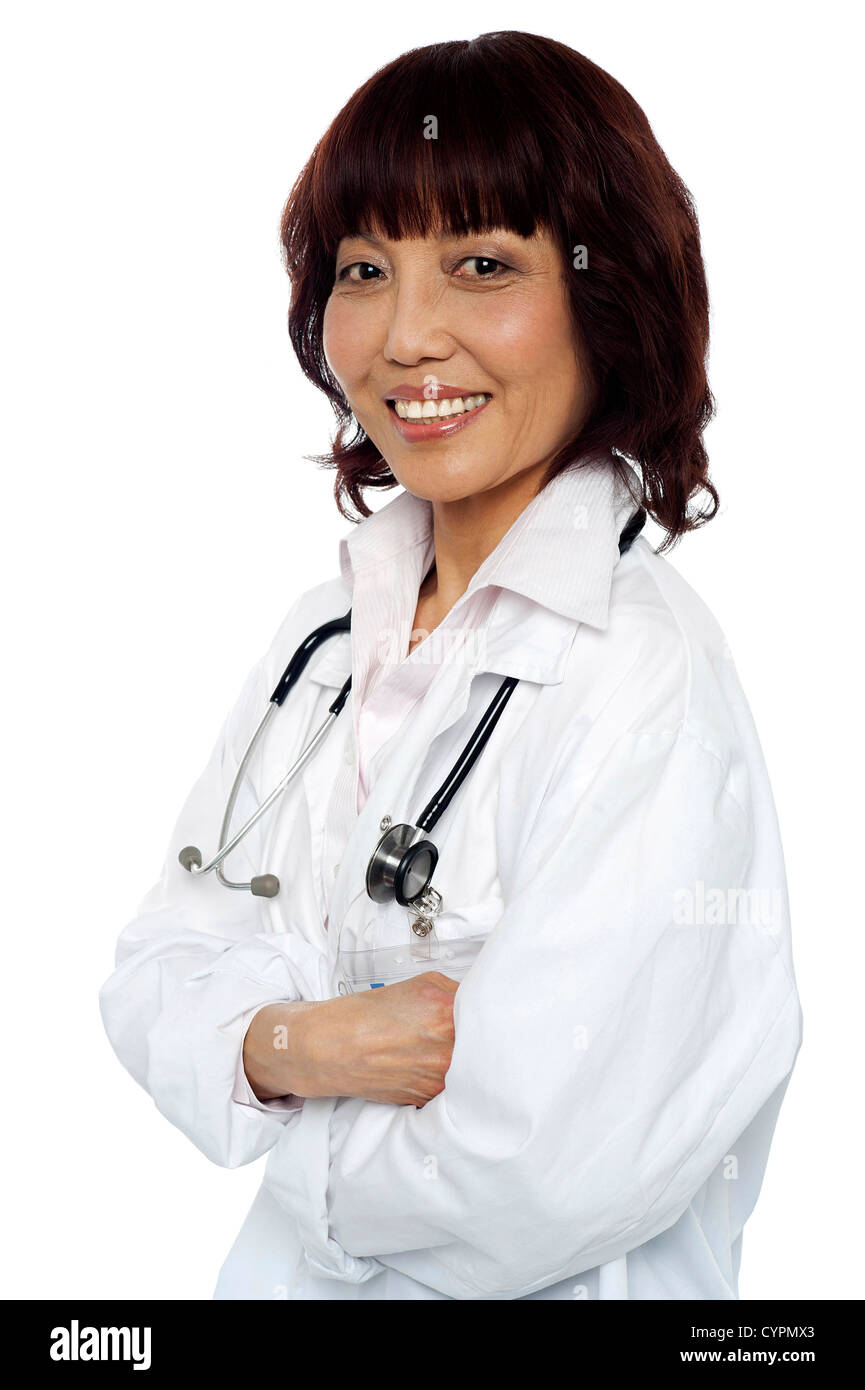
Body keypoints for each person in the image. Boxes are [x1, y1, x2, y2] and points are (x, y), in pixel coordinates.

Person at [99, 30, 802, 1301]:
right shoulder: (323, 637)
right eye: (365, 268)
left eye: (483, 264)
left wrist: (267, 1082)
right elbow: (155, 972)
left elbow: (538, 1166)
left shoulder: (639, 674)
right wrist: (309, 1040)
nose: (408, 336)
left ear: (611, 294)